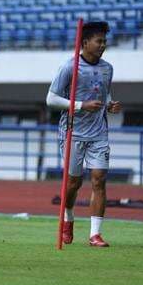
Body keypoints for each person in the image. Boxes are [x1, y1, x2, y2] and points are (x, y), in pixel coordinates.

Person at [46, 21, 121, 248]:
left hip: (98, 133)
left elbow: (104, 95)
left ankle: (95, 234)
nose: (103, 45)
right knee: (73, 184)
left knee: (99, 179)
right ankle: (68, 219)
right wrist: (81, 105)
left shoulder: (108, 68)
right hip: (72, 133)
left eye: (105, 41)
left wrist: (109, 105)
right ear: (85, 43)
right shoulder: (69, 67)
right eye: (99, 41)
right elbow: (51, 99)